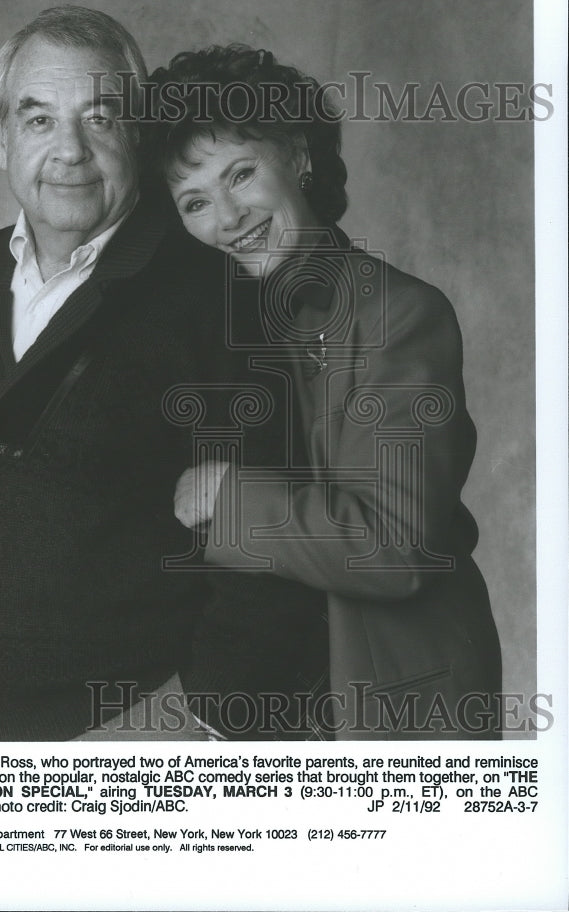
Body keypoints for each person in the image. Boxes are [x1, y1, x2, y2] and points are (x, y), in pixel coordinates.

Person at [0, 8, 328, 742]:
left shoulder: (213, 290)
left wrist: (208, 709)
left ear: (138, 134)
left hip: (134, 725)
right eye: (38, 119)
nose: (70, 151)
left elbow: (271, 518)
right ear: (0, 136)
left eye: (98, 117)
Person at [145, 44, 503, 739]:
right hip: (250, 709)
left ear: (298, 155)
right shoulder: (204, 333)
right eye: (193, 201)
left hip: (391, 695)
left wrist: (224, 497)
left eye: (240, 173)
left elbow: (393, 549)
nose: (227, 216)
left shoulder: (395, 314)